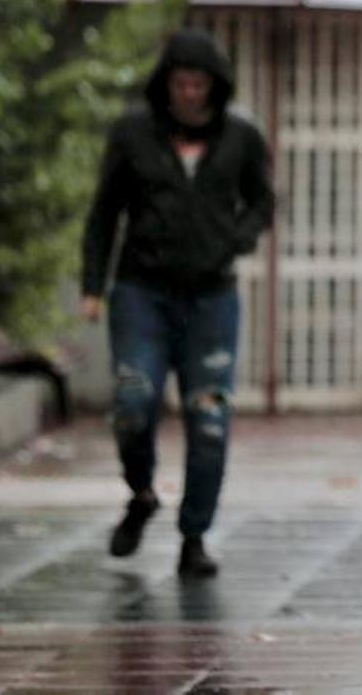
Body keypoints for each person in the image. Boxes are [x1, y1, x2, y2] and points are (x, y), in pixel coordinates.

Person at [80, 29, 274, 577]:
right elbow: (104, 214)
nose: (189, 93)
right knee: (133, 401)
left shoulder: (240, 138)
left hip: (211, 299)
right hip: (142, 292)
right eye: (180, 83)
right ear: (165, 85)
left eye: (199, 84)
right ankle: (141, 492)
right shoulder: (133, 135)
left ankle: (195, 536)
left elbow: (262, 202)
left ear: (215, 87)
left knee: (209, 417)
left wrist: (233, 239)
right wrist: (92, 286)